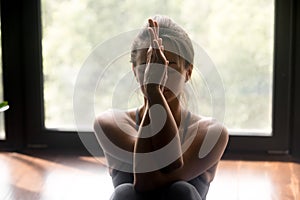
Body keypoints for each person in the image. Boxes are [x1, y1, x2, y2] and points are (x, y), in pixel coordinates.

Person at [94, 15, 229, 200]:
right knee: (124, 192)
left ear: (187, 72)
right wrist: (153, 93)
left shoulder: (212, 133)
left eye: (169, 66)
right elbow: (143, 181)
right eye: (149, 66)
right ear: (135, 71)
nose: (159, 75)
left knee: (181, 191)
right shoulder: (109, 123)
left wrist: (152, 91)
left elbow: (149, 182)